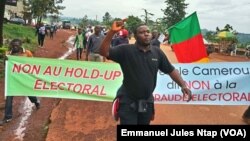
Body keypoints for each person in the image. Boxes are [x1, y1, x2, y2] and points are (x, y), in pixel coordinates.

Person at [100, 20, 192, 125]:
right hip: (127, 101)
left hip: (146, 102)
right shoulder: (125, 51)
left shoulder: (157, 52)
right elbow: (103, 52)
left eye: (148, 31)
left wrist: (183, 85)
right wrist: (111, 32)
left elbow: (170, 70)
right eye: (142, 32)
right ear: (135, 35)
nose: (146, 33)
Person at [0, 39, 40, 126]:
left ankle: (36, 101)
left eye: (16, 45)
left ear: (20, 45)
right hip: (13, 79)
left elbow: (33, 64)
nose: (14, 47)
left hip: (24, 78)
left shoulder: (27, 53)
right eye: (13, 45)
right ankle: (7, 117)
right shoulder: (8, 54)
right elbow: (6, 66)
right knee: (9, 97)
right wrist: (5, 60)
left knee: (29, 93)